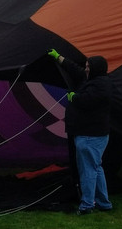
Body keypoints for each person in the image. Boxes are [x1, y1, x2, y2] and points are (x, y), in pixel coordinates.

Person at [48, 48, 113, 215]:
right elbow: (74, 69)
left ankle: (87, 205)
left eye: (88, 67)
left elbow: (86, 101)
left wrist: (73, 97)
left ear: (96, 69)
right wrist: (59, 57)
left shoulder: (101, 86)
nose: (86, 69)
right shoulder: (94, 79)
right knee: (96, 167)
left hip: (90, 136)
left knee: (88, 170)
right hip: (92, 134)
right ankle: (103, 203)